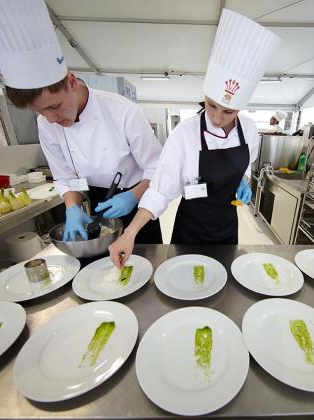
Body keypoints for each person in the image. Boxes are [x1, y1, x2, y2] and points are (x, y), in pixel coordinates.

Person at [0, 0, 163, 244]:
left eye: (54, 107)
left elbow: (157, 168)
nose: (53, 119)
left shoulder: (124, 112)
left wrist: (134, 196)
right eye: (42, 113)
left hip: (137, 197)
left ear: (71, 82)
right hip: (94, 197)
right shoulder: (47, 123)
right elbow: (63, 176)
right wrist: (72, 208)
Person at [107, 8, 280, 268]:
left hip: (227, 228)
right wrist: (130, 232)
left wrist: (244, 181)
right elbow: (160, 190)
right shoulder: (184, 135)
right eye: (211, 106)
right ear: (204, 97)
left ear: (241, 109)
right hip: (191, 230)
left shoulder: (249, 130)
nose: (218, 117)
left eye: (228, 111)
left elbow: (246, 164)